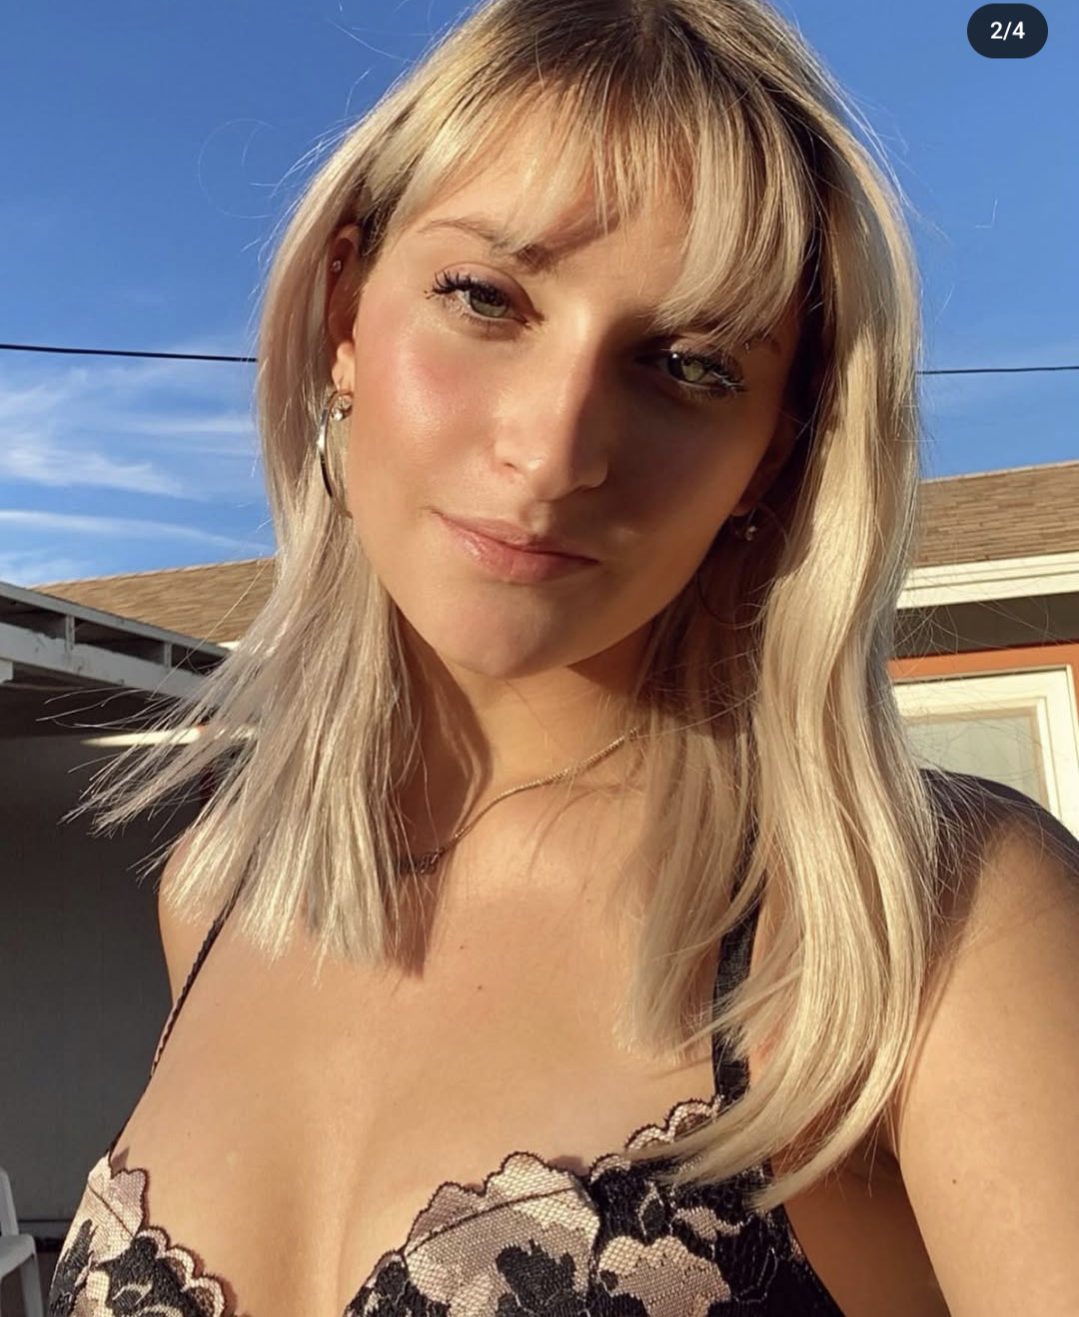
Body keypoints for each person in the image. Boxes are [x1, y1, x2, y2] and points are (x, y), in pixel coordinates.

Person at [49, 0, 1079, 1313]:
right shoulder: (215, 893)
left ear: (773, 452)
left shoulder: (922, 929)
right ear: (345, 310)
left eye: (691, 366)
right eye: (485, 297)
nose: (552, 450)